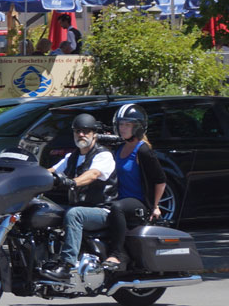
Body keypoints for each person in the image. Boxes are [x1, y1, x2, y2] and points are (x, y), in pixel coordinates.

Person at [45, 112, 116, 280]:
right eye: (78, 131)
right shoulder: (72, 156)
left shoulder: (103, 155)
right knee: (43, 210)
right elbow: (51, 172)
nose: (81, 134)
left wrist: (73, 182)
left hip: (101, 210)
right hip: (80, 207)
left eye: (86, 131)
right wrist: (27, 176)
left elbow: (92, 174)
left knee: (74, 214)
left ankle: (67, 265)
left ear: (94, 134)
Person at [103, 104, 166, 271]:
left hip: (138, 201)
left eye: (128, 125)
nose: (123, 128)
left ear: (138, 127)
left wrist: (155, 206)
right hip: (120, 198)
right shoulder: (119, 148)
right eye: (121, 124)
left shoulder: (143, 151)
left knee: (117, 208)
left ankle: (116, 255)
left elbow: (160, 180)